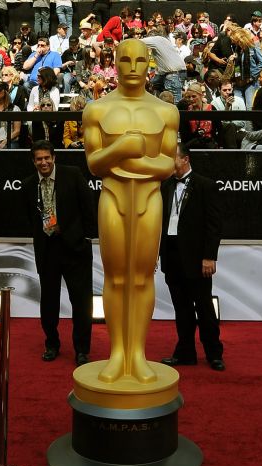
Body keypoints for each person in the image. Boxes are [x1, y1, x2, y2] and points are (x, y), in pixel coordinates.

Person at [82, 38, 179, 383]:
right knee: (116, 277)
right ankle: (117, 353)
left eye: (141, 61)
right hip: (113, 196)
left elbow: (168, 165)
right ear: (115, 62)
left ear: (149, 64)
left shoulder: (166, 111)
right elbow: (94, 164)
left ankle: (136, 352)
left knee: (142, 277)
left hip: (149, 199)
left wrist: (125, 160)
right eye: (126, 61)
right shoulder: (97, 110)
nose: (134, 68)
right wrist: (124, 147)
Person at [22, 140, 95, 366]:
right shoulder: (28, 185)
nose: (43, 162)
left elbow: (89, 208)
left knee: (81, 302)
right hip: (47, 251)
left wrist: (84, 238)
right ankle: (51, 344)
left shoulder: (72, 175)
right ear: (33, 162)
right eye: (39, 159)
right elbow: (29, 217)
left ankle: (82, 350)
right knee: (49, 301)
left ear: (54, 158)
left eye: (47, 158)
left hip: (75, 250)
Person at [158, 143, 224, 371]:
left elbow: (213, 226)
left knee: (204, 307)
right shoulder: (164, 186)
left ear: (185, 159)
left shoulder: (206, 185)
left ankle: (214, 353)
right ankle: (185, 352)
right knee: (181, 308)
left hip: (197, 259)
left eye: (172, 157)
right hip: (172, 255)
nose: (168, 162)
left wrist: (209, 256)